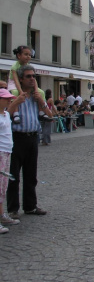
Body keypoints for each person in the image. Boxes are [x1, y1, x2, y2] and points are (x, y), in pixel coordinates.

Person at [7, 65, 50, 219]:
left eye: (34, 76)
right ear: (21, 79)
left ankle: (30, 206)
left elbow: (50, 114)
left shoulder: (37, 96)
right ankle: (12, 209)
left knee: (31, 175)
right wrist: (15, 103)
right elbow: (5, 116)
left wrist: (42, 102)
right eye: (28, 76)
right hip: (16, 138)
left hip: (32, 138)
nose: (32, 79)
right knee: (14, 175)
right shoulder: (14, 95)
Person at [8, 46, 51, 124]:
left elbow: (34, 80)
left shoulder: (28, 65)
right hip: (14, 82)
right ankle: (16, 113)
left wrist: (36, 90)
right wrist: (20, 91)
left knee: (41, 92)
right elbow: (16, 80)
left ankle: (41, 112)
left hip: (21, 82)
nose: (28, 56)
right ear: (19, 55)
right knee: (15, 93)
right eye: (26, 54)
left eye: (30, 55)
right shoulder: (15, 66)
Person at [0, 89, 20, 233]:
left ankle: (2, 214)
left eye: (10, 98)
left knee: (3, 187)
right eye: (6, 98)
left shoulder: (6, 114)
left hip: (7, 152)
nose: (9, 100)